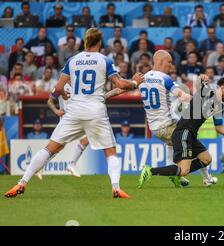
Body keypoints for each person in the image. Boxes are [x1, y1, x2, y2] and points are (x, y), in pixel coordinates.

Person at [4, 28, 144, 199]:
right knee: (110, 152)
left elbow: (59, 88)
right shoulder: (104, 60)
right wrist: (135, 83)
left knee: (49, 149)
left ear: (85, 42)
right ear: (99, 43)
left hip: (74, 111)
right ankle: (115, 188)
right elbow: (121, 84)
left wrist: (62, 96)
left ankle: (22, 182)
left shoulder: (72, 60)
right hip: (95, 111)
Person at [138, 76, 224, 188]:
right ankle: (150, 171)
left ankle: (175, 173)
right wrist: (201, 78)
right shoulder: (208, 92)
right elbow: (198, 85)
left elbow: (219, 128)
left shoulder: (219, 106)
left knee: (206, 159)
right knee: (184, 171)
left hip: (191, 135)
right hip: (183, 132)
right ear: (222, 87)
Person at [47, 81, 90, 178]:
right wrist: (56, 111)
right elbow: (49, 100)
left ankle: (72, 164)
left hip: (78, 118)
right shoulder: (61, 86)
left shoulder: (80, 85)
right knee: (57, 146)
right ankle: (40, 165)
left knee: (86, 139)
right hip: (66, 120)